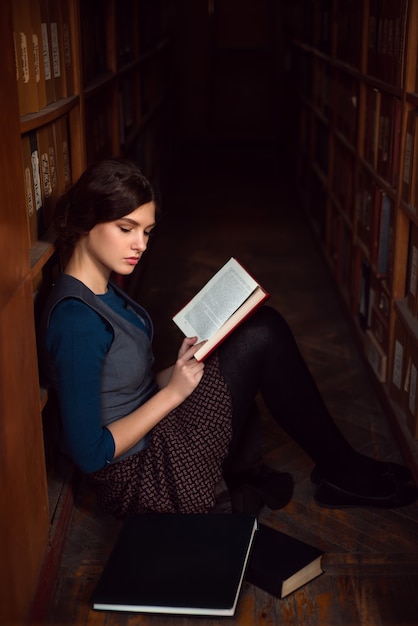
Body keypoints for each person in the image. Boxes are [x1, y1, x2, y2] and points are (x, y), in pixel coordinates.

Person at [39, 158, 417, 519]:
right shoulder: (76, 323)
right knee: (262, 333)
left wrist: (179, 372)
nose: (141, 244)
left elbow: (121, 391)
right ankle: (343, 470)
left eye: (147, 232)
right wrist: (174, 394)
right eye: (127, 229)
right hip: (144, 478)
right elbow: (90, 453)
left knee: (254, 327)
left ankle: (341, 465)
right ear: (88, 220)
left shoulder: (99, 287)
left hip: (157, 436)